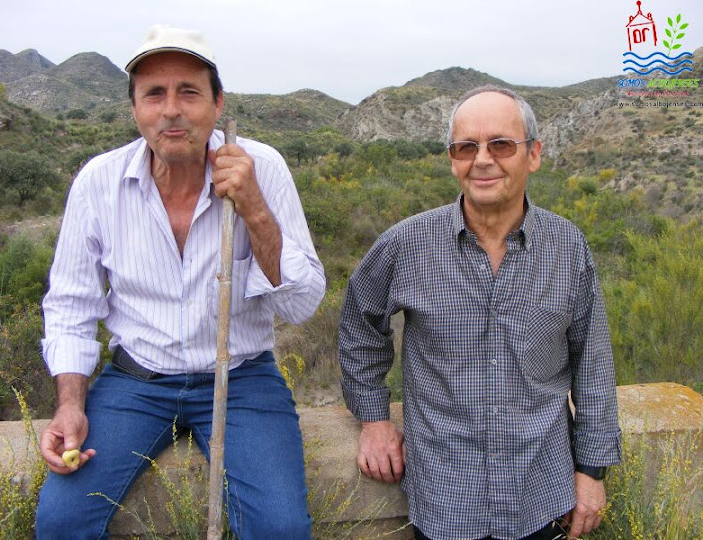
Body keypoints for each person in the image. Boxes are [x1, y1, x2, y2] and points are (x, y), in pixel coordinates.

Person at [35, 25, 325, 540]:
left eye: (189, 92)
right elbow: (72, 306)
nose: (171, 109)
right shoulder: (98, 182)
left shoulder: (264, 168)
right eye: (154, 93)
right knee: (62, 521)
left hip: (241, 379)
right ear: (135, 109)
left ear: (218, 103)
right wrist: (71, 405)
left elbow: (301, 305)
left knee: (279, 527)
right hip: (135, 382)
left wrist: (255, 209)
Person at [338, 85, 621, 540]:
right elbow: (360, 324)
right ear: (452, 159)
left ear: (533, 154)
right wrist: (373, 418)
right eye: (466, 147)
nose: (482, 160)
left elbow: (593, 362)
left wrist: (592, 469)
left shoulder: (568, 248)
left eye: (501, 145)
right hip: (446, 499)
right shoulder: (406, 244)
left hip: (542, 495)